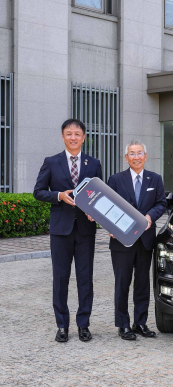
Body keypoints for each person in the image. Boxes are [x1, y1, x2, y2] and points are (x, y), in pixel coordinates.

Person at [34, 119, 102, 343]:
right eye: (69, 133)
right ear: (63, 136)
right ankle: (62, 325)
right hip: (60, 230)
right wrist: (58, 196)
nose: (73, 137)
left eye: (77, 133)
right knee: (60, 279)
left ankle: (84, 325)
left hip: (85, 230)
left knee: (85, 279)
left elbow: (99, 195)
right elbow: (39, 192)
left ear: (84, 137)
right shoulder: (51, 162)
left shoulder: (94, 164)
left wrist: (96, 212)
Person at [108, 139, 167, 340]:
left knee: (142, 284)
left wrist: (150, 216)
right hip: (121, 241)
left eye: (139, 153)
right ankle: (123, 325)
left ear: (145, 156)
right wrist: (111, 226)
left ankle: (140, 322)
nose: (136, 157)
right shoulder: (115, 180)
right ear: (126, 158)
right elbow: (107, 206)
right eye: (132, 154)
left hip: (145, 240)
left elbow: (161, 204)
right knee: (122, 283)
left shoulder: (155, 179)